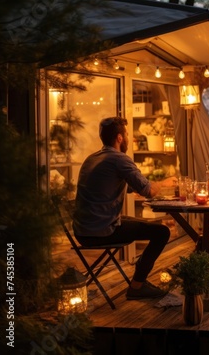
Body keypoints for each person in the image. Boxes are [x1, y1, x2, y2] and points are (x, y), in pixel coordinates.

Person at [73, 116, 177, 300]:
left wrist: (137, 188)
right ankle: (137, 286)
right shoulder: (120, 159)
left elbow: (115, 185)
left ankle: (140, 271)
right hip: (101, 231)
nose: (128, 138)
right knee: (161, 232)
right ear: (120, 138)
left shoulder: (92, 158)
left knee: (145, 223)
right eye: (127, 134)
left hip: (82, 230)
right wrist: (165, 182)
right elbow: (149, 191)